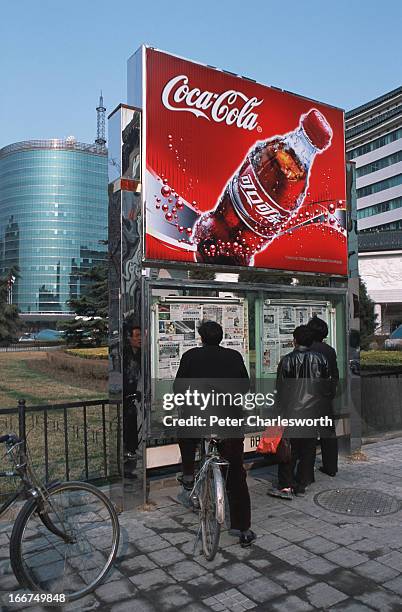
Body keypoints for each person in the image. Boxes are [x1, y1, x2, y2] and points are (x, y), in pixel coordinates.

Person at [173, 321, 256, 547]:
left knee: (185, 430)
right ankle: (243, 527)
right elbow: (245, 386)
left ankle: (188, 473)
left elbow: (178, 388)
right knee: (236, 473)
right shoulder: (234, 356)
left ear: (201, 337)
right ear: (221, 336)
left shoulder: (190, 356)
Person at [268, 325, 331, 499]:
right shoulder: (321, 359)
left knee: (289, 449)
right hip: (313, 412)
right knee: (308, 449)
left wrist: (278, 413)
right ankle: (302, 483)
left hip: (291, 411)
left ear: (295, 340)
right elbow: (327, 387)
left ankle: (286, 486)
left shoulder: (287, 360)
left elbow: (280, 389)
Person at [307, 316, 339, 477]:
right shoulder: (329, 351)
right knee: (328, 434)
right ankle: (331, 467)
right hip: (325, 399)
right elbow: (335, 375)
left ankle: (308, 469)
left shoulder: (306, 349)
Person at [122, 320, 141, 479]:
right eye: (137, 336)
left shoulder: (141, 354)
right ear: (129, 338)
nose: (140, 338)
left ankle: (131, 457)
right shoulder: (124, 356)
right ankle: (127, 463)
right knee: (128, 427)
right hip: (126, 398)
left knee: (133, 427)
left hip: (135, 397)